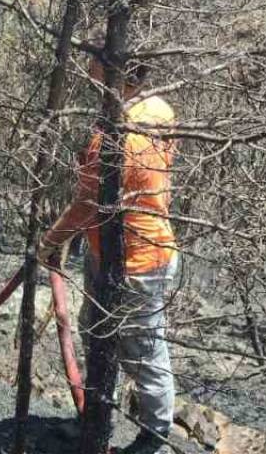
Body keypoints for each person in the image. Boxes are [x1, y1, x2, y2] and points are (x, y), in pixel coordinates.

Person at [37, 53, 178, 454]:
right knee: (97, 332)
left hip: (137, 261)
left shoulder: (114, 138)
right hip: (129, 251)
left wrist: (50, 242)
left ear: (116, 72)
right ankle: (99, 419)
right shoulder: (161, 110)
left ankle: (154, 436)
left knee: (142, 347)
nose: (88, 75)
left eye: (94, 68)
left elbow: (85, 203)